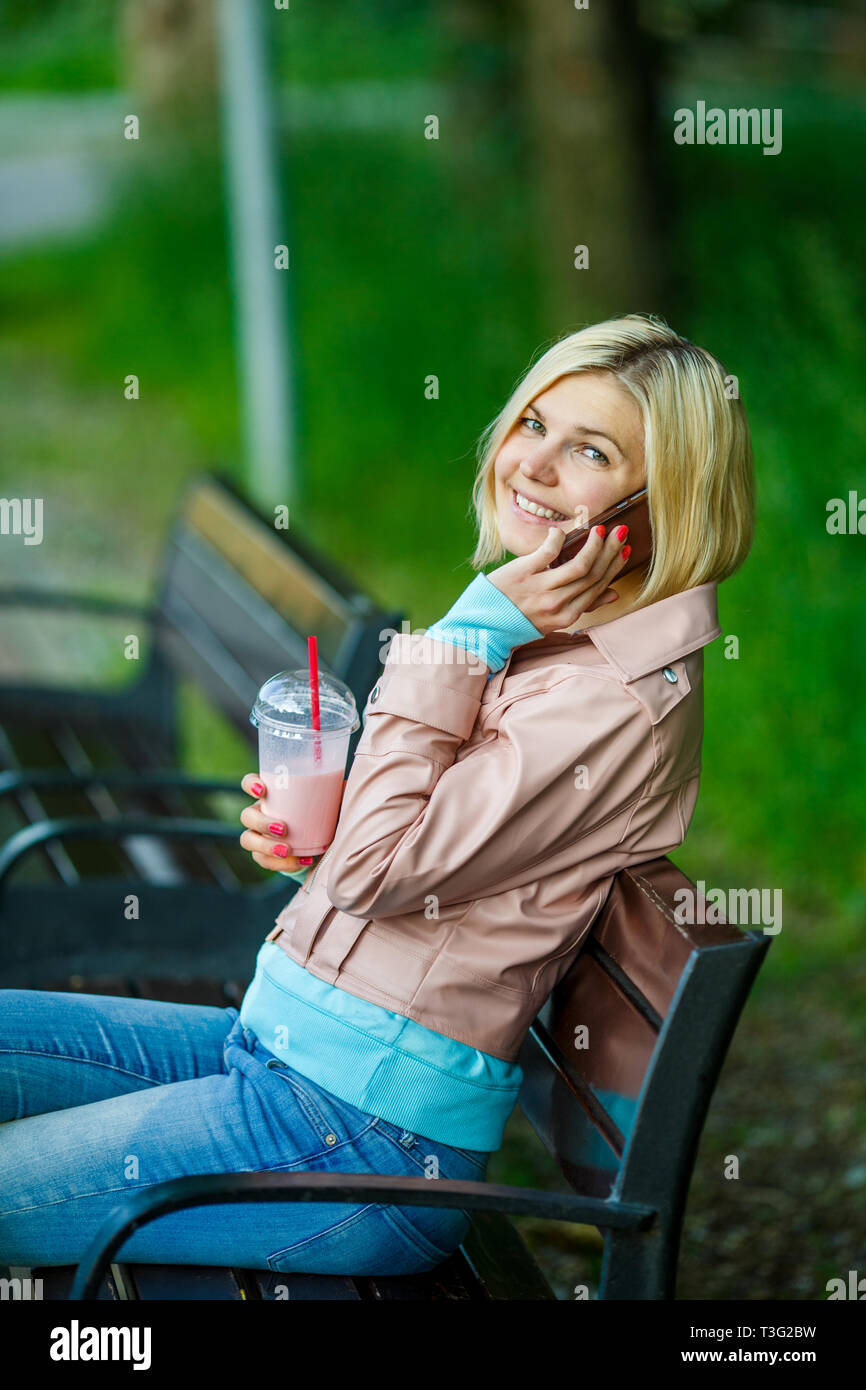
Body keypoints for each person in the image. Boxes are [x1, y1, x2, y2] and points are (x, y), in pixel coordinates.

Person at [0, 313, 754, 1277]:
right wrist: (318, 845)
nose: (536, 464)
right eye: (534, 425)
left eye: (591, 450)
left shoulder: (612, 700)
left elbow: (384, 869)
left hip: (359, 1143)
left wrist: (459, 639)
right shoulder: (552, 632)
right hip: (275, 1053)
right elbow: (416, 868)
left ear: (662, 506)